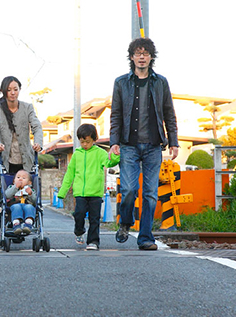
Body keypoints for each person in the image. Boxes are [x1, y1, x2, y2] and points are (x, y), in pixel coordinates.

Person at [109, 37, 179, 250]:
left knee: (150, 194)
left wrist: (174, 141)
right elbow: (116, 114)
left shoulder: (160, 82)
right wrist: (114, 141)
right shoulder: (121, 82)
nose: (142, 57)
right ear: (132, 57)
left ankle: (145, 238)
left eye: (145, 53)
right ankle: (126, 222)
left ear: (151, 57)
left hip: (153, 146)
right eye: (138, 53)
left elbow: (169, 113)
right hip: (128, 144)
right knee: (129, 190)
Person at [57, 124, 120, 250]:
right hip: (80, 192)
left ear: (94, 139)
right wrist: (62, 192)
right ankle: (79, 231)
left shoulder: (100, 153)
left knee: (94, 218)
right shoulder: (76, 154)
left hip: (95, 192)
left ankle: (93, 241)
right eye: (82, 142)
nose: (84, 144)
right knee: (78, 214)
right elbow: (70, 173)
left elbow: (110, 163)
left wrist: (115, 155)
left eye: (87, 141)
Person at [0, 76, 43, 209]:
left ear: (19, 90)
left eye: (15, 89)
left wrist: (38, 143)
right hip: (5, 159)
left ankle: (27, 219)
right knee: (6, 193)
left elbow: (37, 126)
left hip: (25, 160)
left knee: (28, 191)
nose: (13, 92)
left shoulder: (27, 107)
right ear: (3, 91)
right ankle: (10, 220)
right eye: (9, 90)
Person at [5, 169, 37, 235]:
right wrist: (15, 187)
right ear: (14, 181)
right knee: (16, 207)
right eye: (18, 177)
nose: (20, 179)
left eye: (24, 178)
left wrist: (30, 194)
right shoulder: (11, 187)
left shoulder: (30, 189)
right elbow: (7, 195)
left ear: (29, 183)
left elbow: (35, 200)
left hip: (27, 204)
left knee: (29, 207)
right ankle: (16, 224)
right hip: (15, 204)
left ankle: (28, 224)